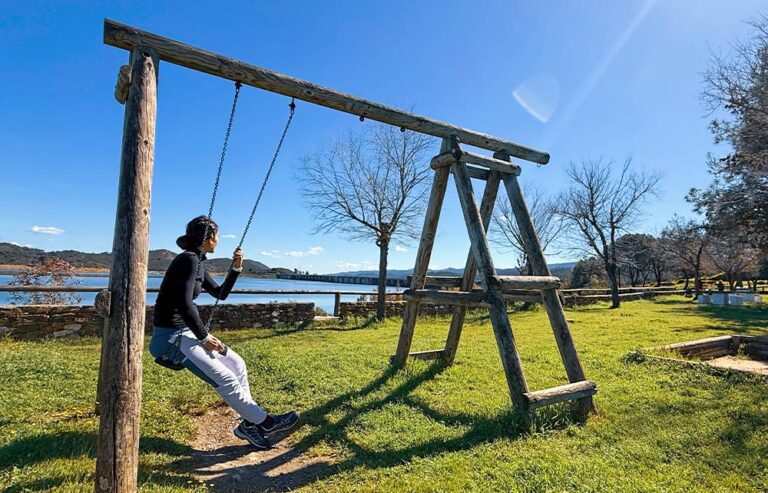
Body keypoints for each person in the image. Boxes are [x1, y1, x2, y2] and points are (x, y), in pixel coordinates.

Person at [149, 216, 299, 449]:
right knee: (227, 379)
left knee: (237, 364)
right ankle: (267, 423)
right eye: (216, 236)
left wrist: (236, 267)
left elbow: (220, 293)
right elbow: (183, 303)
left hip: (186, 333)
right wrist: (204, 336)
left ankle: (249, 425)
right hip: (170, 338)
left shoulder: (197, 261)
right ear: (207, 238)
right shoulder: (187, 260)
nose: (218, 241)